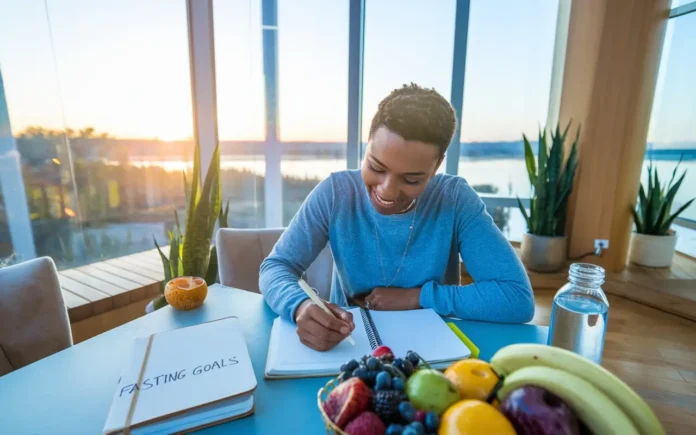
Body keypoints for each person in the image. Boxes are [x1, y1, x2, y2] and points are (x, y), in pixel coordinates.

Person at [259, 83, 534, 352]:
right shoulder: (335, 193)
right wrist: (299, 306)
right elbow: (275, 267)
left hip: (434, 351)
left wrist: (418, 297)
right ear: (368, 145)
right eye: (376, 167)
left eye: (412, 179)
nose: (387, 191)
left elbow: (516, 298)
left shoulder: (455, 199)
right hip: (348, 349)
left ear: (437, 165)